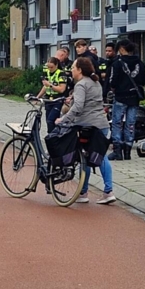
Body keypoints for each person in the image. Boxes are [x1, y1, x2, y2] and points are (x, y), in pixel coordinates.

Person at [55, 57, 116, 205]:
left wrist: (63, 119)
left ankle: (93, 192)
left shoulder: (81, 84)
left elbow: (78, 107)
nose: (71, 69)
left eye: (73, 67)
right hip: (102, 124)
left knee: (87, 157)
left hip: (88, 126)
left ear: (80, 70)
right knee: (98, 156)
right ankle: (100, 191)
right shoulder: (95, 82)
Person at [107, 40, 145, 161]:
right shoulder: (140, 63)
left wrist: (115, 88)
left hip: (120, 96)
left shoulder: (117, 63)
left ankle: (117, 151)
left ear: (121, 49)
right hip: (134, 97)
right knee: (130, 123)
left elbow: (112, 81)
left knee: (117, 123)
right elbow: (144, 80)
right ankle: (128, 151)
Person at [40, 56, 68, 133]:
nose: (49, 69)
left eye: (51, 67)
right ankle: (50, 136)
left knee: (51, 120)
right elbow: (45, 87)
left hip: (57, 100)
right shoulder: (47, 73)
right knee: (48, 122)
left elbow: (62, 89)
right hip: (48, 100)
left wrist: (50, 85)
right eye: (48, 67)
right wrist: (37, 97)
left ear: (56, 65)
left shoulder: (61, 74)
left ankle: (54, 137)